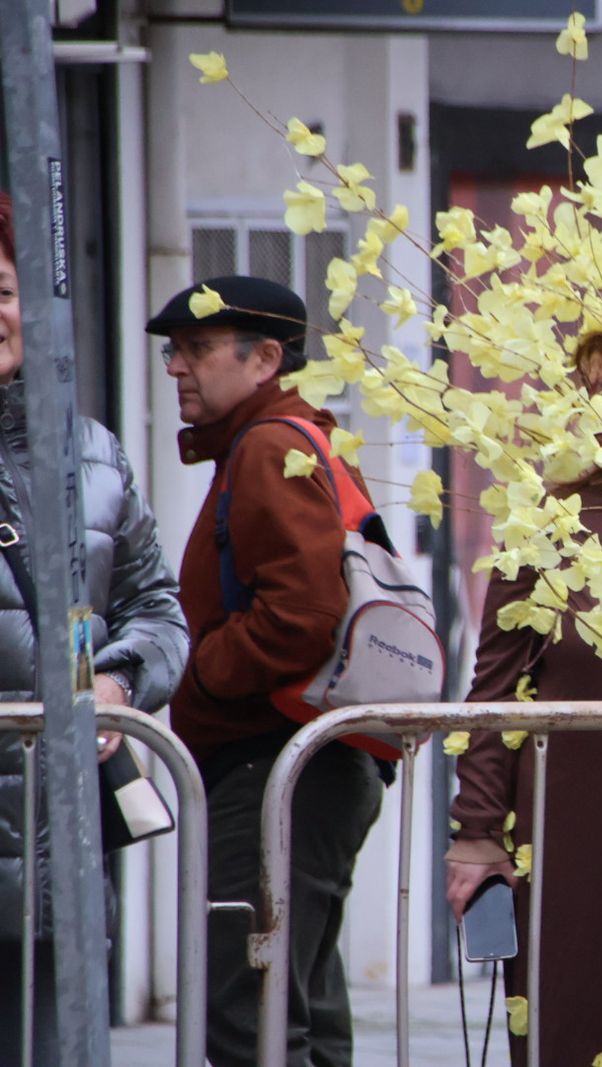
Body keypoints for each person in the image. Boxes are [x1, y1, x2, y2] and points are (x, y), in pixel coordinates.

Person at [146, 275, 385, 1067]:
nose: (176, 366)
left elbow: (306, 614)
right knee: (297, 1010)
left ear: (266, 359)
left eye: (197, 349)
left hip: (274, 761)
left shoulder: (270, 446)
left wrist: (199, 675)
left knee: (251, 1016)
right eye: (173, 351)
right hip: (300, 761)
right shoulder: (291, 439)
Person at [445, 332, 602, 1066]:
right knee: (574, 1020)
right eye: (591, 393)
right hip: (571, 827)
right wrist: (477, 828)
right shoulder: (543, 522)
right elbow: (494, 687)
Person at [0, 191, 188, 1067]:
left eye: (3, 288)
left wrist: (110, 683)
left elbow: (157, 610)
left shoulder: (96, 455)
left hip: (53, 864)